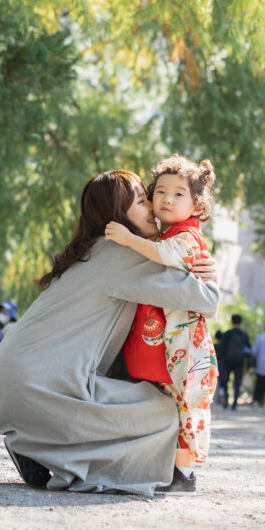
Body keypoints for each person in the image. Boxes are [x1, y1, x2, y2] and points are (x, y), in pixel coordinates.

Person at [0, 169, 220, 496]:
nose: (154, 206)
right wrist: (207, 273)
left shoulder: (89, 251)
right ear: (117, 217)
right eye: (142, 200)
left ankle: (33, 443)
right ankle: (37, 448)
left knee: (126, 397)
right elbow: (206, 300)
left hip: (10, 375)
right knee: (165, 414)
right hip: (37, 385)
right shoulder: (123, 255)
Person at [104, 156, 218, 491]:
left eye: (179, 194)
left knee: (188, 408)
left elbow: (169, 255)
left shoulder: (186, 238)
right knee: (173, 407)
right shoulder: (165, 238)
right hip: (174, 345)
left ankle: (185, 475)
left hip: (190, 348)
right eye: (160, 193)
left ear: (197, 205)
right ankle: (167, 468)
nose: (167, 200)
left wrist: (128, 239)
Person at [217, 314, 250, 410]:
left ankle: (226, 400)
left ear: (232, 322)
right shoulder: (244, 335)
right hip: (239, 361)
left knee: (226, 380)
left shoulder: (227, 333)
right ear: (240, 322)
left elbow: (222, 347)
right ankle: (235, 402)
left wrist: (219, 359)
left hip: (227, 360)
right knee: (237, 382)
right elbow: (248, 350)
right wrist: (247, 363)